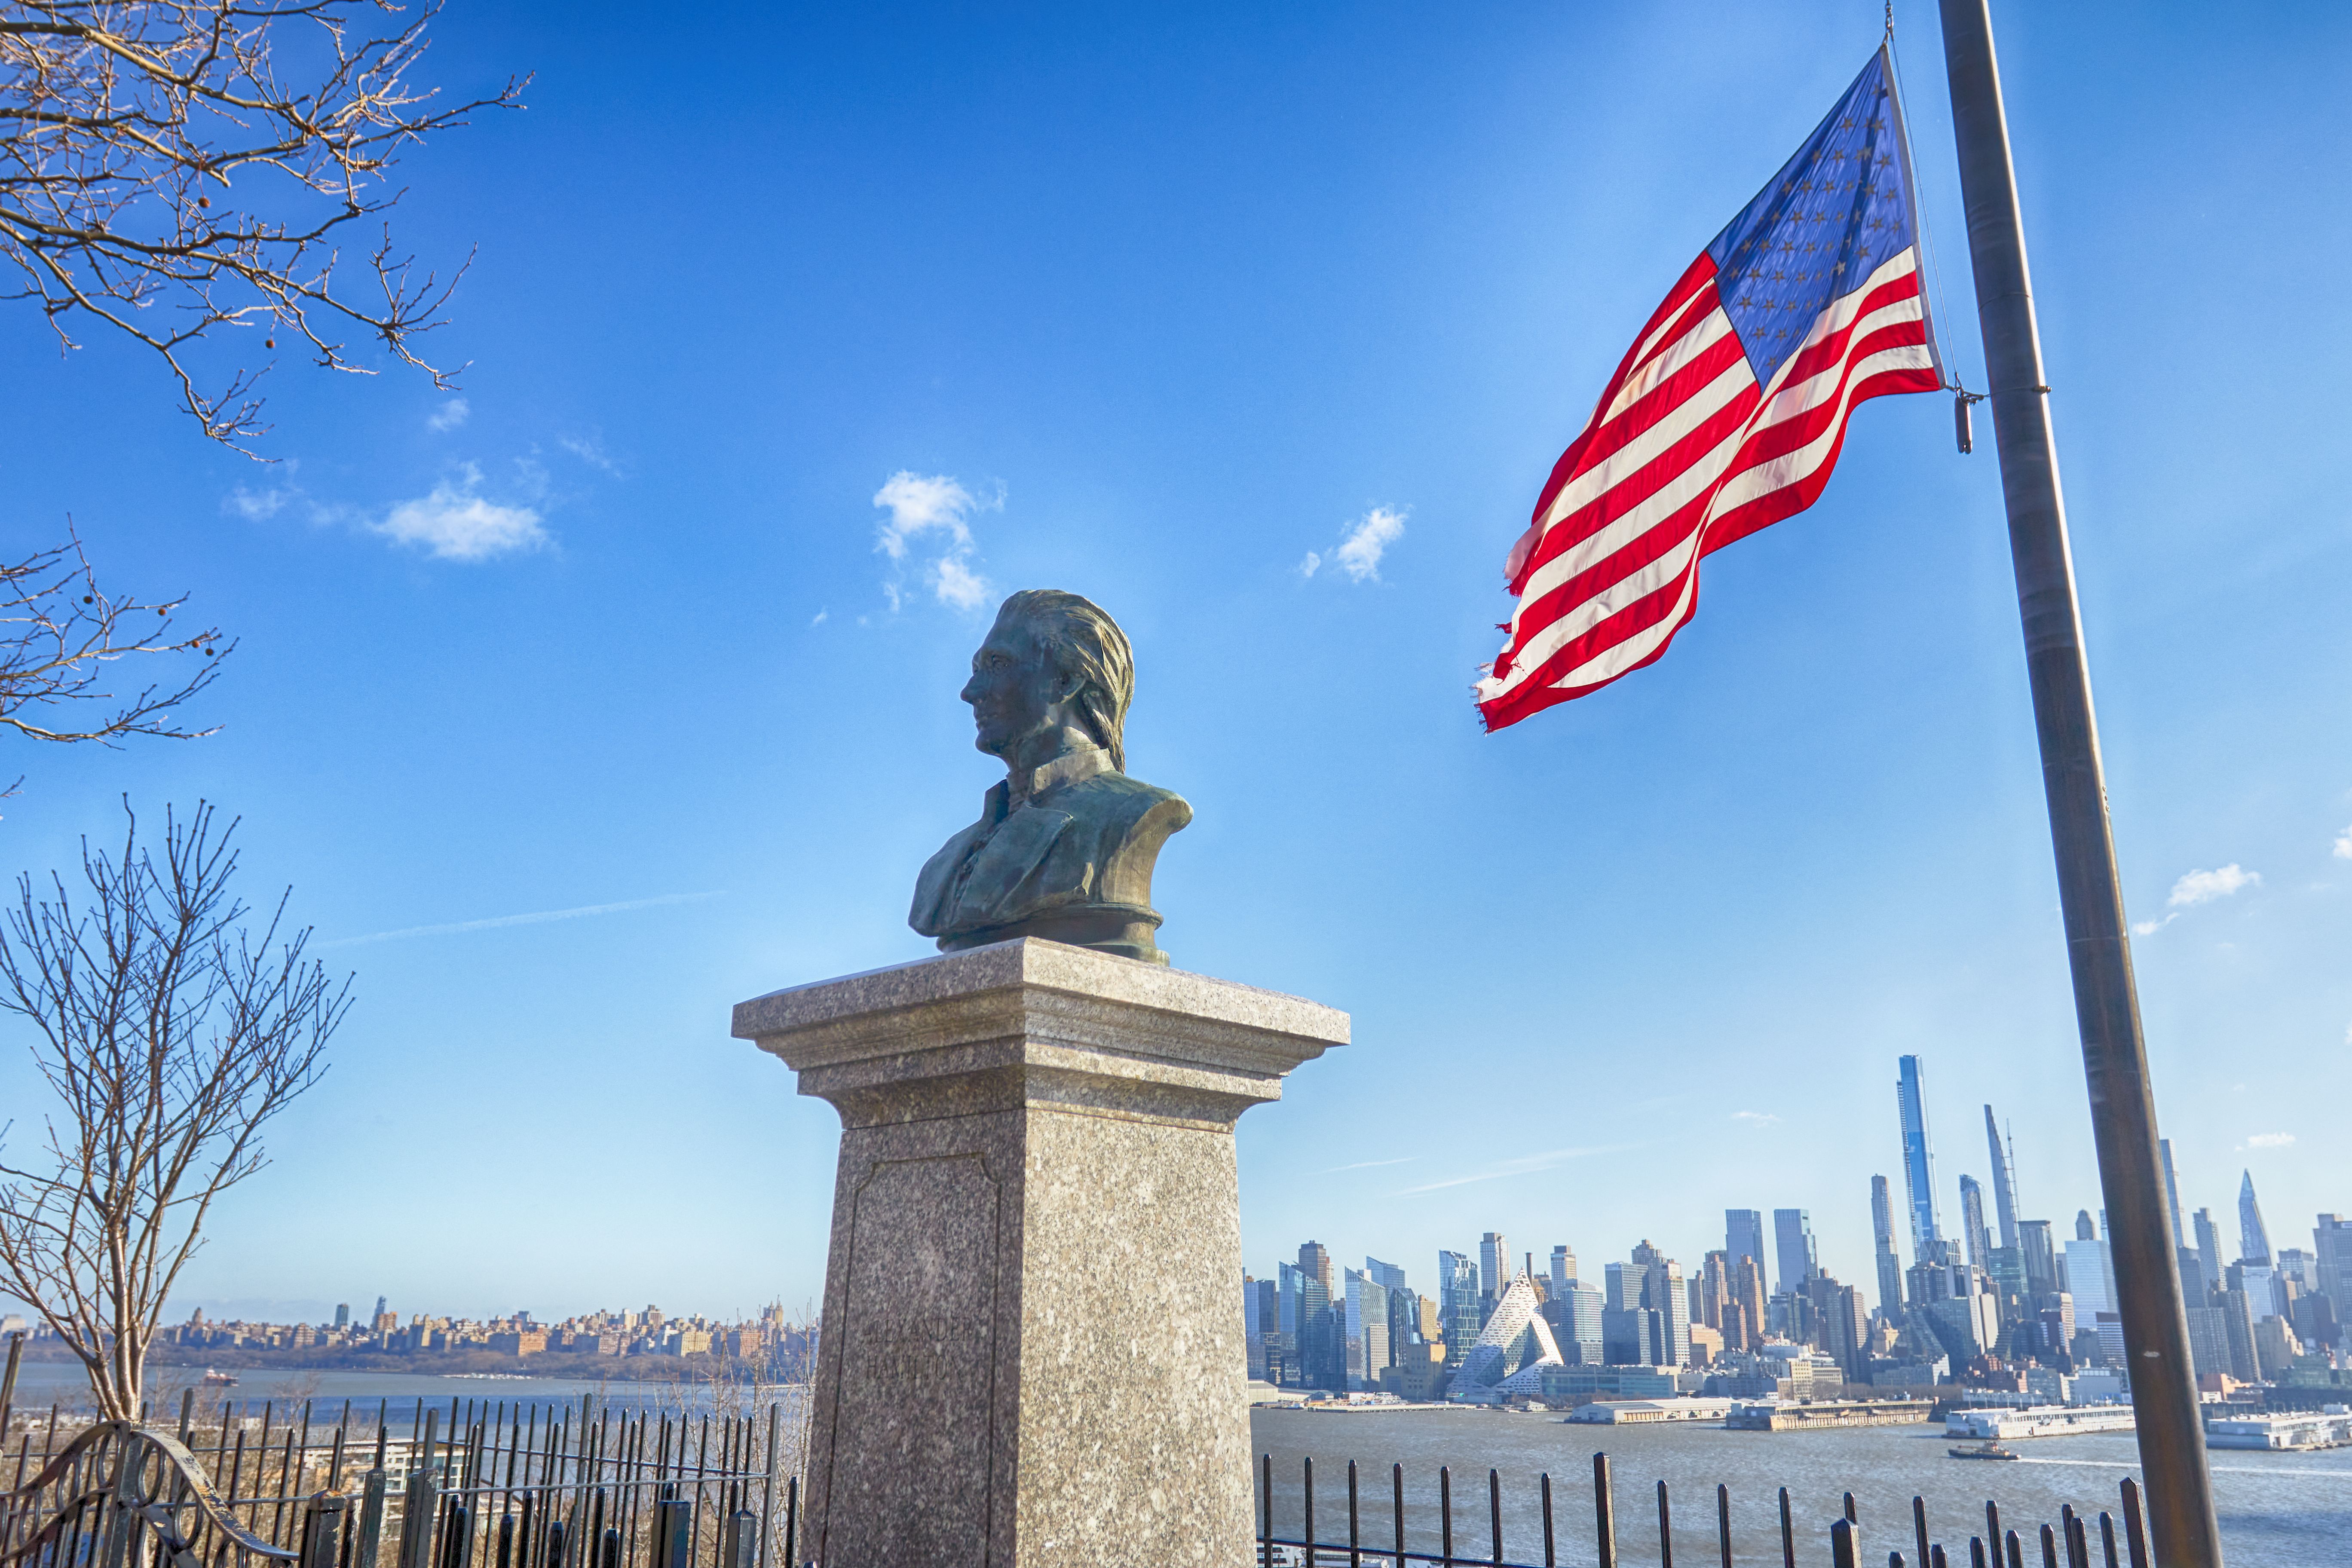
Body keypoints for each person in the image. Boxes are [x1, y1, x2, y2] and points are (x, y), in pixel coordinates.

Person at [909, 589, 1191, 964]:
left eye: (998, 665)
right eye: (976, 670)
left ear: (1066, 681)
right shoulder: (946, 863)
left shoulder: (1134, 812)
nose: (970, 692)